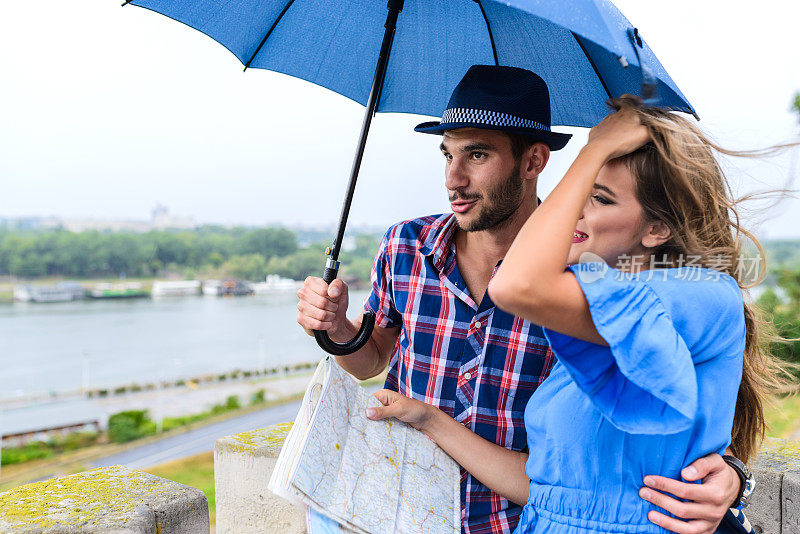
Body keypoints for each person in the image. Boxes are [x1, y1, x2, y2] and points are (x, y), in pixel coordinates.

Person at [297, 66, 750, 534]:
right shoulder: (404, 244)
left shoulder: (578, 280)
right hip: (404, 511)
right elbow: (375, 358)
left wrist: (734, 474)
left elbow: (671, 424)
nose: (454, 178)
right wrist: (340, 332)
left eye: (477, 155)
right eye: (447, 154)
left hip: (505, 519)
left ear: (534, 161)